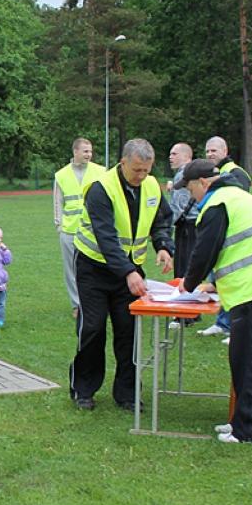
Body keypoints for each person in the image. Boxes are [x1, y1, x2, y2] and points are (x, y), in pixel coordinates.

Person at [178, 159, 252, 443]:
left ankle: (250, 430)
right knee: (244, 356)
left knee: (248, 359)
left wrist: (188, 284)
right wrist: (214, 283)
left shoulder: (217, 203)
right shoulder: (237, 196)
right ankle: (242, 420)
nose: (190, 194)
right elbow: (240, 245)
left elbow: (205, 250)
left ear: (203, 183)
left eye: (190, 188)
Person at [69, 138, 174, 411]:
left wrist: (163, 246)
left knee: (128, 330)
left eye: (146, 170)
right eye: (136, 170)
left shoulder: (152, 186)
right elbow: (106, 237)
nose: (141, 176)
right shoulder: (101, 189)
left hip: (130, 269)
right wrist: (128, 271)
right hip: (93, 266)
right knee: (92, 328)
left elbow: (162, 219)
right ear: (123, 162)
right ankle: (84, 389)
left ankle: (127, 393)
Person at [197, 136, 251, 341]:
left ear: (225, 151)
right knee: (218, 279)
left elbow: (238, 201)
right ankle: (222, 322)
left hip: (235, 237)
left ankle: (234, 326)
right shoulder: (215, 173)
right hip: (221, 235)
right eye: (208, 151)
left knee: (233, 281)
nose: (210, 154)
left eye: (214, 151)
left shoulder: (236, 173)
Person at [53, 138, 105, 319]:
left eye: (90, 151)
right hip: (69, 230)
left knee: (96, 267)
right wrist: (58, 224)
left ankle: (95, 302)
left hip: (93, 230)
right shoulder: (61, 175)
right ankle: (77, 305)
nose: (88, 155)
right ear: (75, 151)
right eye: (85, 151)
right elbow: (58, 201)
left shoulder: (101, 171)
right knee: (72, 270)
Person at [167, 142, 196, 277]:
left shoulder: (182, 174)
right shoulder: (192, 171)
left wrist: (164, 228)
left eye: (174, 154)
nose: (170, 157)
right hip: (195, 224)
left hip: (187, 227)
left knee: (182, 269)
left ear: (186, 156)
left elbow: (179, 207)